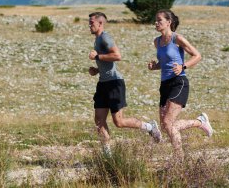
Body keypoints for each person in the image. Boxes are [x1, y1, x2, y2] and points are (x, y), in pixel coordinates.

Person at [88, 12, 161, 154]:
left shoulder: (105, 37)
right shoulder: (97, 40)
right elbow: (107, 61)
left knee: (119, 122)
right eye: (89, 22)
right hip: (103, 83)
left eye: (92, 22)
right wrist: (97, 70)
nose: (89, 25)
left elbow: (117, 55)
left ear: (100, 23)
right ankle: (107, 156)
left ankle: (150, 127)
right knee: (99, 120)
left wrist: (97, 56)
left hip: (114, 83)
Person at [147, 9, 213, 159]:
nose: (156, 23)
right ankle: (199, 122)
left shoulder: (177, 39)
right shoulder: (156, 42)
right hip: (164, 85)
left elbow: (197, 56)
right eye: (155, 20)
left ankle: (179, 159)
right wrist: (155, 66)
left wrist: (183, 66)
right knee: (165, 126)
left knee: (168, 122)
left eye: (159, 20)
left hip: (179, 82)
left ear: (168, 22)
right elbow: (165, 63)